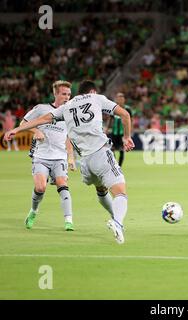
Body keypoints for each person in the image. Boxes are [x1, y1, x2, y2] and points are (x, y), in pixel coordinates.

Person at [5, 80, 134, 244]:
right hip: (101, 153)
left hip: (85, 163)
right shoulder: (96, 99)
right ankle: (117, 222)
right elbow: (125, 114)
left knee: (101, 190)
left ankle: (114, 217)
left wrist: (15, 130)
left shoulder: (66, 107)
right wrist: (127, 137)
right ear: (92, 92)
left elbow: (43, 119)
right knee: (121, 192)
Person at [21, 81, 76, 231]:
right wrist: (36, 131)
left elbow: (68, 137)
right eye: (64, 94)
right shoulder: (41, 109)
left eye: (69, 94)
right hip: (41, 156)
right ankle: (33, 211)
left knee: (63, 185)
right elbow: (23, 123)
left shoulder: (69, 113)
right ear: (55, 94)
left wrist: (71, 157)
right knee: (40, 187)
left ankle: (68, 221)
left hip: (60, 157)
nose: (67, 97)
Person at [106, 92, 132, 167]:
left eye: (122, 97)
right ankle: (115, 164)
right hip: (114, 132)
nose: (120, 99)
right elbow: (110, 119)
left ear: (124, 99)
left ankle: (119, 166)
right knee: (112, 149)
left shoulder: (127, 109)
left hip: (122, 133)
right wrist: (107, 128)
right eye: (118, 98)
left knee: (121, 150)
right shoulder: (113, 108)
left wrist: (129, 131)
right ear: (116, 99)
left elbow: (131, 120)